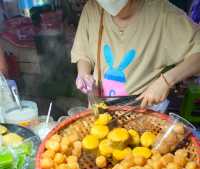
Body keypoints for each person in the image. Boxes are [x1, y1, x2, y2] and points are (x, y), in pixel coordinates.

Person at [71, 0, 200, 110]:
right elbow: (83, 53)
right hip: (99, 111)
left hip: (143, 113)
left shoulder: (162, 13)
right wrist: (84, 75)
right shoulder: (92, 8)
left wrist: (166, 81)